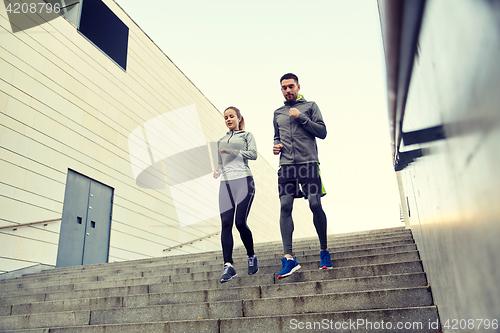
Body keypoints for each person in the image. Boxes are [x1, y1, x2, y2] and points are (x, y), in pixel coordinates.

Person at [273, 73, 332, 279]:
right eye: (284, 88)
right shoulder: (277, 113)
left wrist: (301, 117)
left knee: (315, 204)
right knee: (285, 206)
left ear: (298, 86)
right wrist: (276, 146)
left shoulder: (310, 106)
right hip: (286, 166)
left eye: (291, 86)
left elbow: (322, 132)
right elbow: (277, 136)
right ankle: (289, 258)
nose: (288, 90)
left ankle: (324, 251)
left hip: (308, 164)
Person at [213, 106, 259, 283]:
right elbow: (220, 163)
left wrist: (232, 151)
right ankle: (228, 265)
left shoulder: (246, 136)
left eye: (231, 116)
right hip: (226, 184)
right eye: (225, 117)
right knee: (225, 223)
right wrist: (218, 171)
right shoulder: (221, 140)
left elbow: (253, 154)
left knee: (240, 222)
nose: (228, 119)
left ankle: (251, 256)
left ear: (239, 118)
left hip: (244, 181)